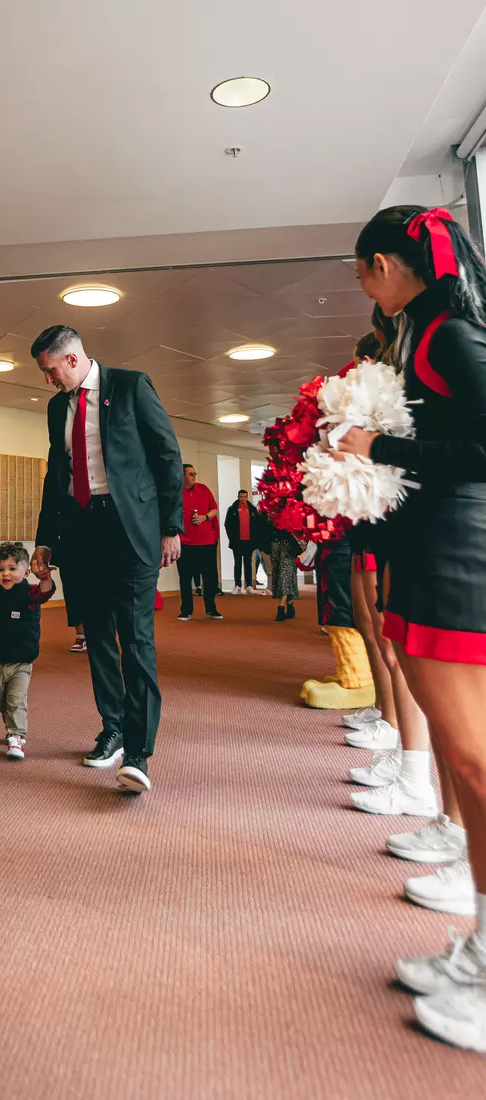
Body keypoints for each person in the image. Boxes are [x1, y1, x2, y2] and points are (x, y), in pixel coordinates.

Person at [338, 204, 486, 1052]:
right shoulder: (425, 327)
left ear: (390, 265)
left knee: (471, 756)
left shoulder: (446, 333)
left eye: (363, 270)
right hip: (436, 547)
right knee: (463, 759)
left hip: (462, 555)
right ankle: (475, 943)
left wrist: (376, 450)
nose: (361, 286)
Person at [31, 325, 183, 795]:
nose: (49, 380)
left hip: (130, 529)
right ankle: (112, 728)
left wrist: (171, 526)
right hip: (82, 533)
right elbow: (57, 473)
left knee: (136, 641)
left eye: (50, 370)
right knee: (97, 635)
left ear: (71, 359)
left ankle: (138, 752)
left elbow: (166, 455)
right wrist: (45, 539)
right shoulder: (59, 407)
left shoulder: (132, 385)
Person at [0, 542, 55, 760]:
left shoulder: (29, 595)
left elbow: (44, 594)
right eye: (1, 569)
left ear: (26, 572)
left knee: (16, 700)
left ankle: (17, 736)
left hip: (21, 660)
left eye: (12, 569)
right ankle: (11, 723)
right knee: (1, 699)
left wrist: (46, 579)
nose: (6, 574)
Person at [177, 464, 222, 620]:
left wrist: (205, 517)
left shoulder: (203, 489)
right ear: (182, 476)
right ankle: (186, 610)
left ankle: (211, 608)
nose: (193, 476)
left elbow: (214, 509)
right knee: (185, 578)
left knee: (209, 577)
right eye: (190, 474)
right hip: (185, 542)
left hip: (206, 541)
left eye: (194, 473)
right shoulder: (176, 493)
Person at [224, 489, 259, 593]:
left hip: (249, 541)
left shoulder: (252, 510)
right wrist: (232, 538)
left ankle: (248, 585)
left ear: (247, 497)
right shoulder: (232, 509)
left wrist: (255, 539)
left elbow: (257, 525)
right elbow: (227, 524)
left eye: (244, 497)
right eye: (241, 497)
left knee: (248, 563)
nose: (243, 499)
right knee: (237, 563)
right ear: (238, 497)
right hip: (237, 542)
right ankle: (237, 585)